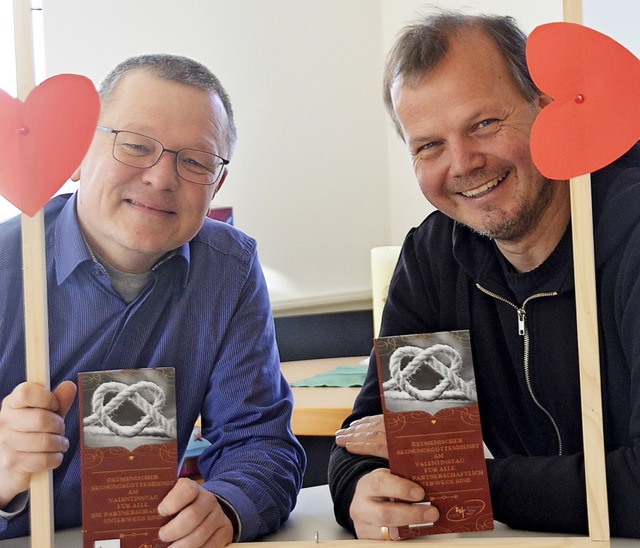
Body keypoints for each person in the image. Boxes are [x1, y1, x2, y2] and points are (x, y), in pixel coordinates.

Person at [329, 10, 640, 541]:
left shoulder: (630, 229)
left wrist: (468, 482)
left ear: (546, 107)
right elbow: (362, 439)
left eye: (483, 124)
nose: (463, 163)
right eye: (428, 145)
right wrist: (363, 491)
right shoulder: (432, 257)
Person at [0, 53, 305, 545]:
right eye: (136, 146)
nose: (162, 178)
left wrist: (225, 506)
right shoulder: (6, 266)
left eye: (195, 162)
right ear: (77, 153)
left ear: (217, 184)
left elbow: (260, 442)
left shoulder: (227, 270)